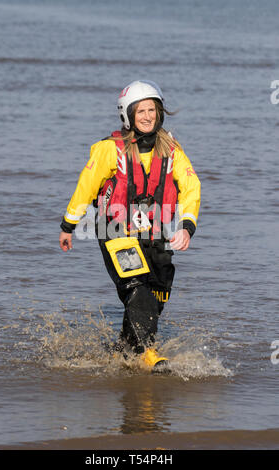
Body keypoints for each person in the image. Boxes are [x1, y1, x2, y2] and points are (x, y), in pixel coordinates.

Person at [59, 80, 201, 371]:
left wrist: (187, 226)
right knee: (138, 289)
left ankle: (123, 354)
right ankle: (150, 354)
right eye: (141, 111)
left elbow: (191, 186)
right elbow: (86, 186)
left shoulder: (172, 149)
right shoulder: (109, 150)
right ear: (128, 115)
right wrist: (69, 224)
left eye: (152, 110)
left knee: (156, 297)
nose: (148, 116)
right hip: (116, 233)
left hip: (156, 234)